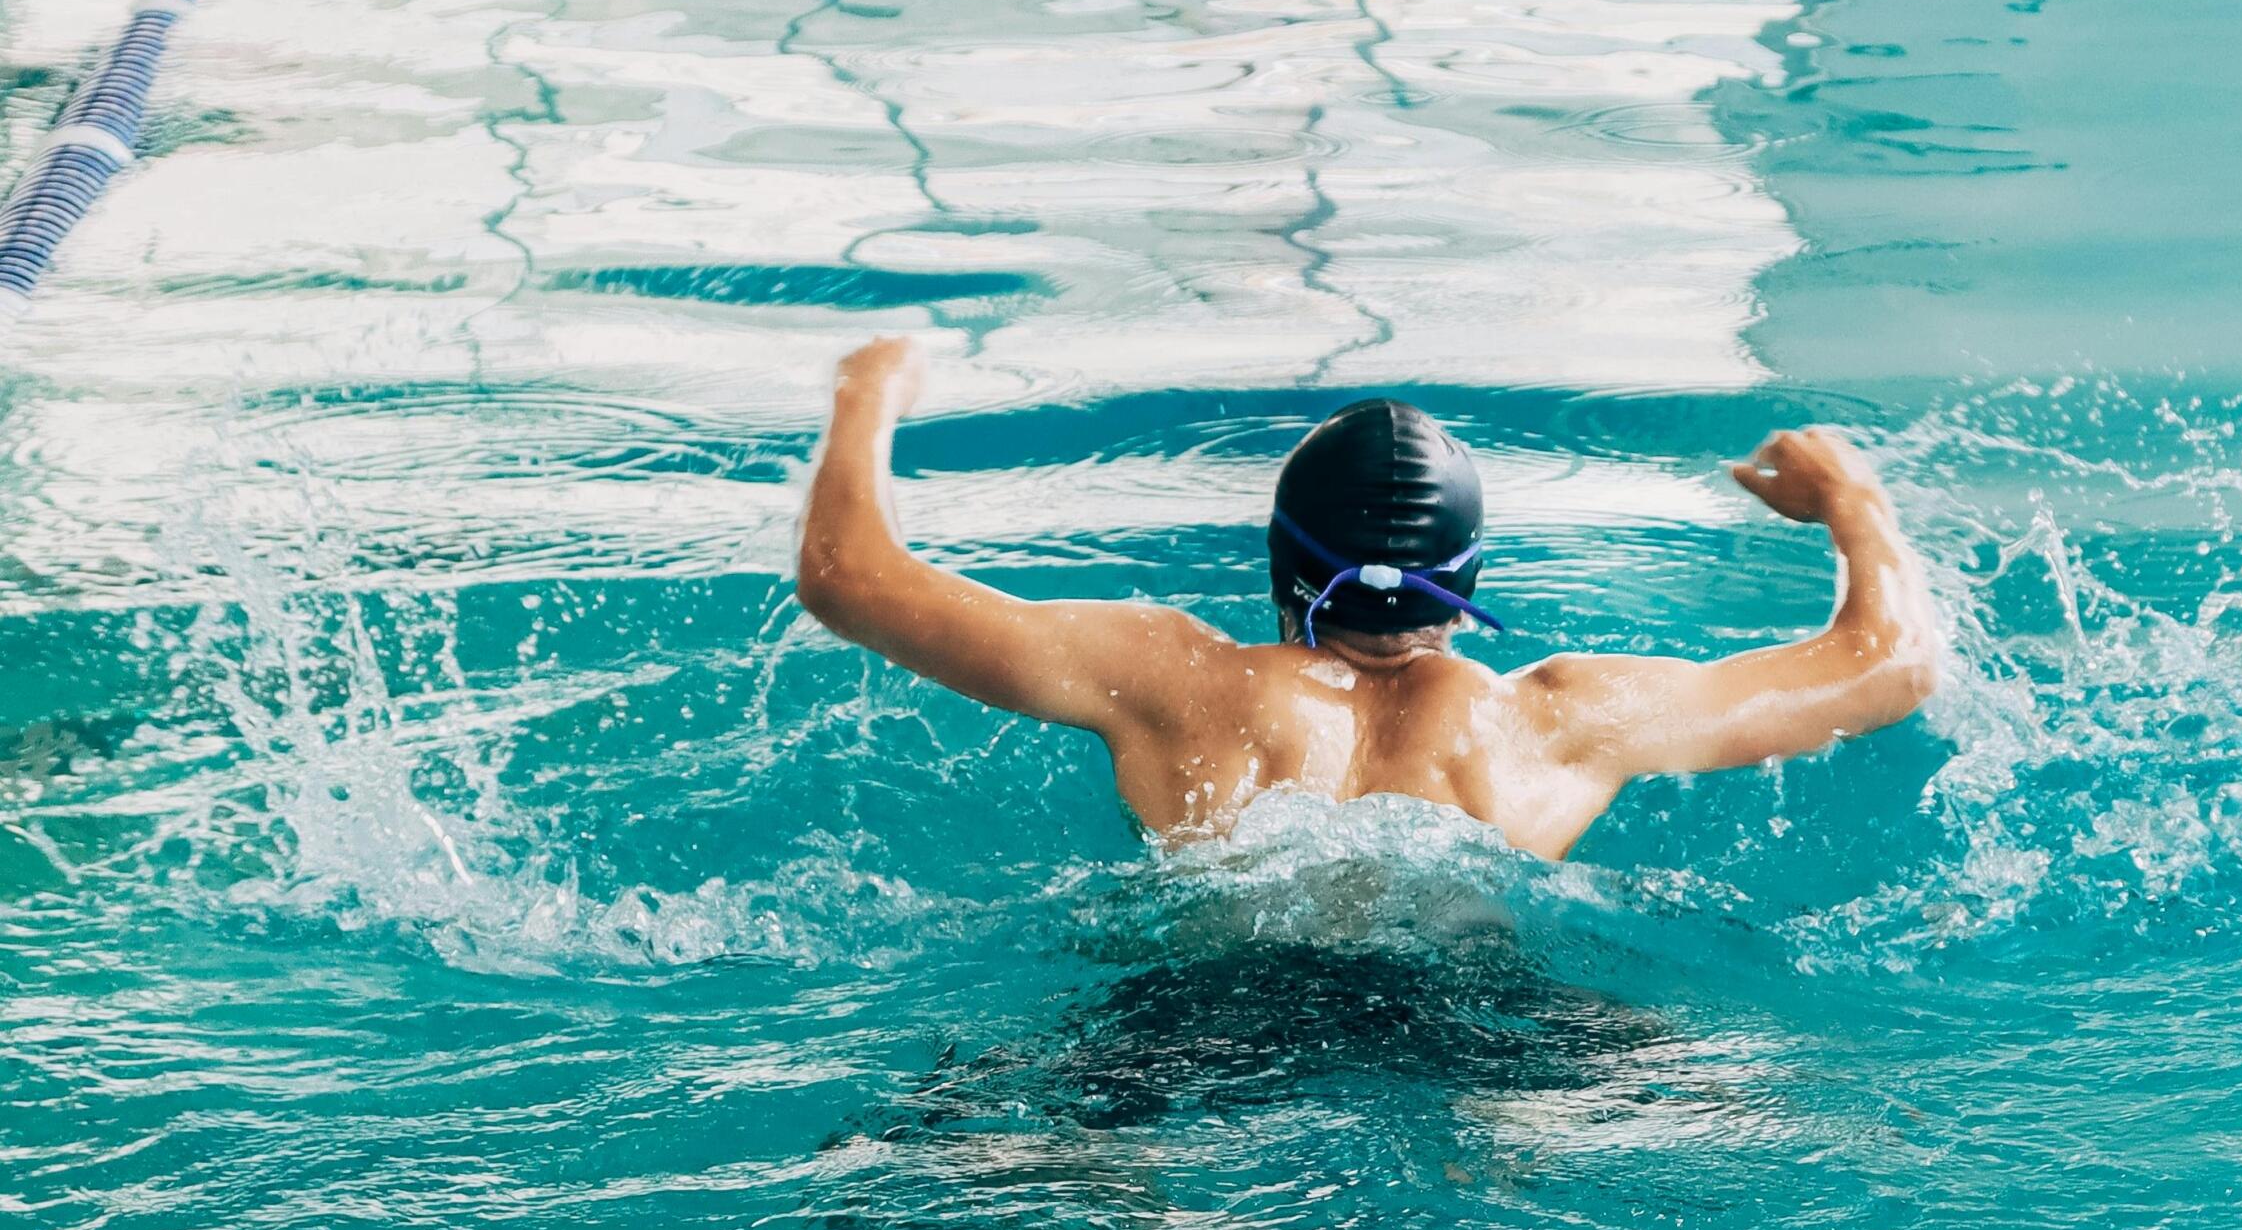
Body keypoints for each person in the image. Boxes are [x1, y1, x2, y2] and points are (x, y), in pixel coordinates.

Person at [797, 336, 1939, 860]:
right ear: (1470, 577)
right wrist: (1852, 497)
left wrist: (870, 385)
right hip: (1492, 1030)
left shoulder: (1172, 679)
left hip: (1202, 1025)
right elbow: (1886, 666)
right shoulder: (1557, 719)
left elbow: (850, 576)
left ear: (1281, 560)